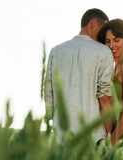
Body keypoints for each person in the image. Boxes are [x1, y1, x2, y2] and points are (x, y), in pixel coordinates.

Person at [45, 9, 114, 143]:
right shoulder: (103, 51)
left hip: (61, 136)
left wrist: (56, 123)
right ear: (93, 24)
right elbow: (104, 98)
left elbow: (49, 94)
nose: (104, 34)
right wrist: (110, 133)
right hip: (93, 136)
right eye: (103, 28)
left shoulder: (56, 51)